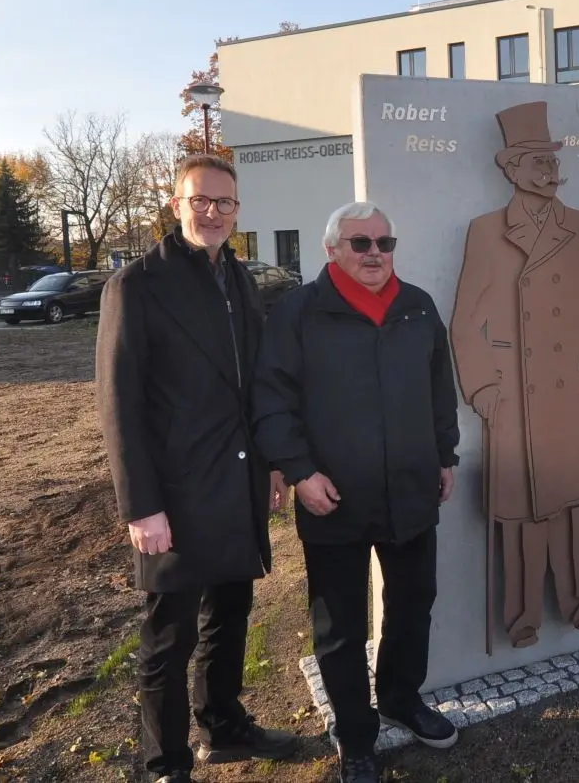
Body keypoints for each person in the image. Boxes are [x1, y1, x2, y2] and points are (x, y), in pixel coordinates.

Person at [96, 153, 296, 783]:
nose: (213, 213)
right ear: (176, 204)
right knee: (167, 639)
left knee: (230, 617)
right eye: (201, 200)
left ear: (238, 212)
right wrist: (141, 507)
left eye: (225, 203)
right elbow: (118, 404)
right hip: (175, 495)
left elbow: (256, 384)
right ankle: (167, 763)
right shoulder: (136, 286)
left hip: (236, 481)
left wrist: (269, 466)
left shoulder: (238, 279)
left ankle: (224, 726)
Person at [251, 202, 461, 783]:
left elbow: (440, 390)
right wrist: (299, 471)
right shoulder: (297, 312)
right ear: (332, 250)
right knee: (339, 625)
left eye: (384, 243)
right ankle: (356, 733)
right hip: (333, 496)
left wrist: (445, 456)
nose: (374, 254)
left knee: (413, 603)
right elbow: (272, 400)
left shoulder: (417, 306)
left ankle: (400, 696)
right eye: (360, 243)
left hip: (413, 491)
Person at [451, 102, 579, 650]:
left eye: (552, 161)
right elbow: (465, 319)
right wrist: (481, 388)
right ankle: (521, 618)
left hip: (567, 388)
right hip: (512, 396)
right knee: (520, 513)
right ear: (511, 169)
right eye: (535, 162)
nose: (549, 171)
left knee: (572, 505)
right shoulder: (486, 231)